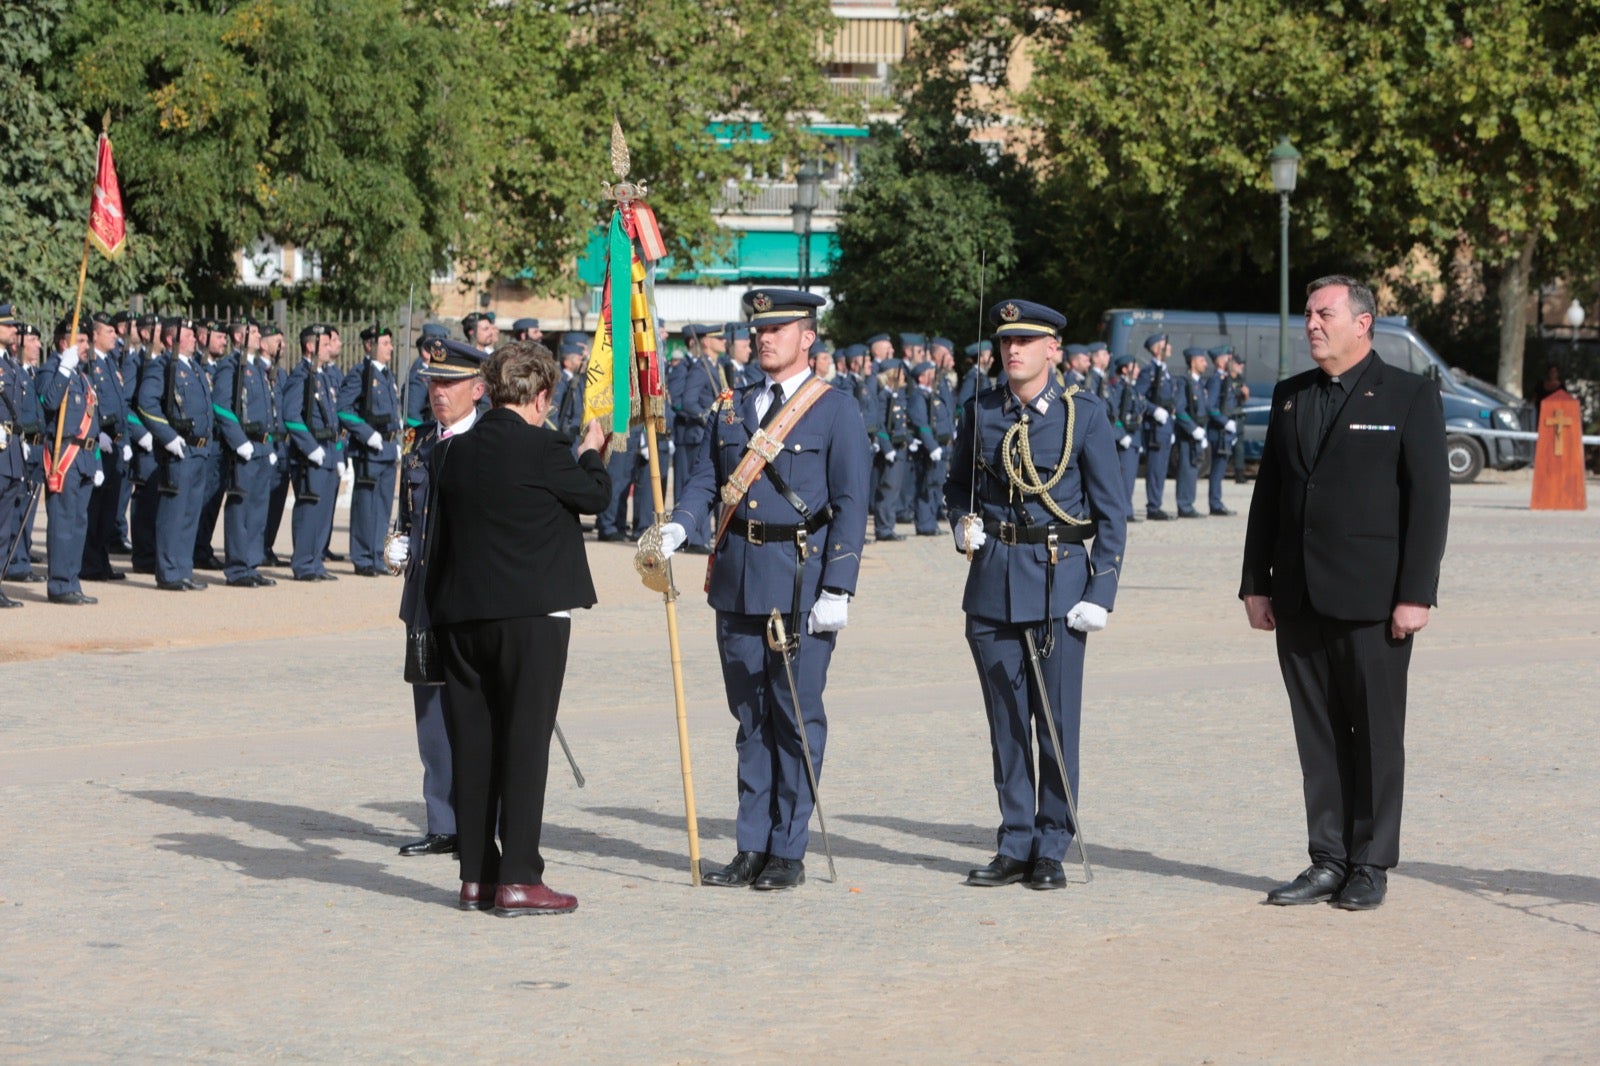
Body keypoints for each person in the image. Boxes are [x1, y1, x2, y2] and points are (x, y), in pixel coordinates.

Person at [1241, 275, 1450, 911]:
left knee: (1377, 736)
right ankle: (1327, 858)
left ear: (1362, 323)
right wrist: (1256, 583)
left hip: (1374, 601)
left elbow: (1429, 502)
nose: (1311, 324)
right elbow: (1269, 498)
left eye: (1323, 313)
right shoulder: (1289, 396)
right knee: (1319, 735)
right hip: (1299, 596)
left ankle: (1371, 862)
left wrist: (1416, 594)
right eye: (1307, 314)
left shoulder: (1410, 395)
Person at [658, 288, 871, 891]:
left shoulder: (834, 409)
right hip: (738, 580)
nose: (763, 338)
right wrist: (681, 523)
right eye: (758, 330)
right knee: (749, 718)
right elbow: (707, 480)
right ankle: (751, 844)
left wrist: (839, 586)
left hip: (801, 581)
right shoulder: (733, 406)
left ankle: (788, 848)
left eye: (778, 328)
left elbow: (852, 504)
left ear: (808, 336)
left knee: (794, 716)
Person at [944, 298, 1128, 890]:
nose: (1012, 351)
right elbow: (954, 486)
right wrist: (960, 522)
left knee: (1054, 724)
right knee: (1005, 725)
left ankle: (1052, 843)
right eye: (1005, 342)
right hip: (993, 583)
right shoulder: (980, 412)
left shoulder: (1084, 416)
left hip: (1057, 586)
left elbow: (1112, 512)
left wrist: (1101, 591)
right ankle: (1015, 839)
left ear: (1053, 349)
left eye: (1025, 341)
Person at [426, 340, 611, 915]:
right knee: (525, 745)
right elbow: (596, 497)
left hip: (461, 618)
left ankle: (476, 875)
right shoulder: (545, 445)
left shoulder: (451, 451)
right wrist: (591, 449)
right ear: (541, 396)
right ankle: (520, 877)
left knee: (473, 749)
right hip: (529, 617)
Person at [388, 338, 488, 860]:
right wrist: (404, 539)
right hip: (425, 598)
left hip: (473, 598)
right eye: (432, 382)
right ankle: (443, 821)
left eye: (448, 384)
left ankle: (478, 822)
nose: (438, 393)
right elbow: (413, 510)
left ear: (479, 387)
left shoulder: (492, 441)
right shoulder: (422, 441)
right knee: (432, 718)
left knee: (477, 714)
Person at [137, 317, 216, 592]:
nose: (195, 338)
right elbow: (146, 404)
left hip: (199, 450)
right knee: (174, 512)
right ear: (171, 340)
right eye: (189, 335)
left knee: (190, 512)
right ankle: (169, 572)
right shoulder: (162, 367)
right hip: (179, 449)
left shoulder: (193, 368)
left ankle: (183, 569)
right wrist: (168, 437)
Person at [38, 319, 103, 605]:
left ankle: (72, 580)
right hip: (65, 455)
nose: (86, 346)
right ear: (64, 343)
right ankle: (60, 584)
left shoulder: (83, 376)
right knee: (63, 522)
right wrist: (63, 368)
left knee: (78, 523)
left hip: (86, 457)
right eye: (81, 341)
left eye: (88, 341)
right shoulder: (53, 370)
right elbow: (49, 402)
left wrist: (98, 461)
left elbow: (93, 423)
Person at [211, 318, 279, 588]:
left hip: (262, 446)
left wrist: (270, 445)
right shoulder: (231, 366)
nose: (259, 336)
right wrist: (238, 440)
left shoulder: (256, 368)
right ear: (239, 337)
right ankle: (238, 567)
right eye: (253, 332)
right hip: (245, 447)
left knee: (258, 509)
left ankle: (251, 563)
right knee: (241, 509)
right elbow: (221, 406)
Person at [339, 324, 402, 576]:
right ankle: (363, 557)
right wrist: (368, 434)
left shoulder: (388, 375)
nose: (390, 348)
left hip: (386, 447)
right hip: (369, 449)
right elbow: (344, 409)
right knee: (366, 504)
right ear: (370, 345)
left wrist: (394, 443)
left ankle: (377, 554)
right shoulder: (360, 373)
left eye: (390, 343)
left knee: (384, 505)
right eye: (385, 343)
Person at [282, 325, 343, 581]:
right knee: (310, 510)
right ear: (311, 346)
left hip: (327, 451)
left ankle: (316, 561)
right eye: (326, 344)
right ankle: (304, 563)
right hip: (311, 456)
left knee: (323, 512)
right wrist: (311, 448)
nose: (330, 348)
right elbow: (291, 416)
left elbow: (333, 422)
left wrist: (338, 454)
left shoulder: (322, 376)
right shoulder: (301, 376)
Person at [1104, 352, 1147, 519]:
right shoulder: (1119, 388)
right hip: (1125, 439)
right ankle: (1123, 511)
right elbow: (1115, 414)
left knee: (1130, 478)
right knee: (1124, 478)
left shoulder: (1132, 387)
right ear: (1124, 369)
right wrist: (1121, 434)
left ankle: (1127, 508)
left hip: (1134, 437)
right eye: (1134, 367)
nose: (1137, 370)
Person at [1171, 347, 1211, 518]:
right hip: (1188, 433)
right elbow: (1179, 409)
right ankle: (1184, 505)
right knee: (1186, 469)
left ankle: (1188, 503)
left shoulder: (1198, 383)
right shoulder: (1184, 382)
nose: (1206, 364)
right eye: (1202, 360)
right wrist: (1192, 429)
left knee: (1193, 468)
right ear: (1193, 361)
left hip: (1198, 431)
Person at [1141, 333, 1177, 520]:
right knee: (1155, 468)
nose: (1169, 348)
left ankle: (1157, 503)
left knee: (1161, 467)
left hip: (1165, 425)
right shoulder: (1149, 371)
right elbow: (1138, 396)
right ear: (1156, 348)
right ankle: (1153, 506)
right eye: (1165, 344)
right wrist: (1154, 410)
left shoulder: (1165, 371)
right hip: (1155, 426)